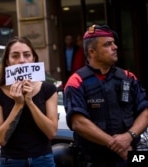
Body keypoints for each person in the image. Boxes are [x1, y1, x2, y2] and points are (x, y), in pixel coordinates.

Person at [63, 24, 148, 167]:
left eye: (114, 43)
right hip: (95, 160)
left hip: (131, 156)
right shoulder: (76, 81)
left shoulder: (128, 77)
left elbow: (145, 111)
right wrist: (115, 144)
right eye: (108, 44)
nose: (115, 47)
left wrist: (128, 137)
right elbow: (78, 122)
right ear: (92, 52)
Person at [0, 36, 58, 167]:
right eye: (15, 56)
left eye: (27, 55)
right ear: (8, 62)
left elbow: (51, 132)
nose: (22, 60)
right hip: (11, 161)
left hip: (42, 160)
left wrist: (30, 102)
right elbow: (1, 139)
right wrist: (18, 104)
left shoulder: (48, 89)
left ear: (34, 59)